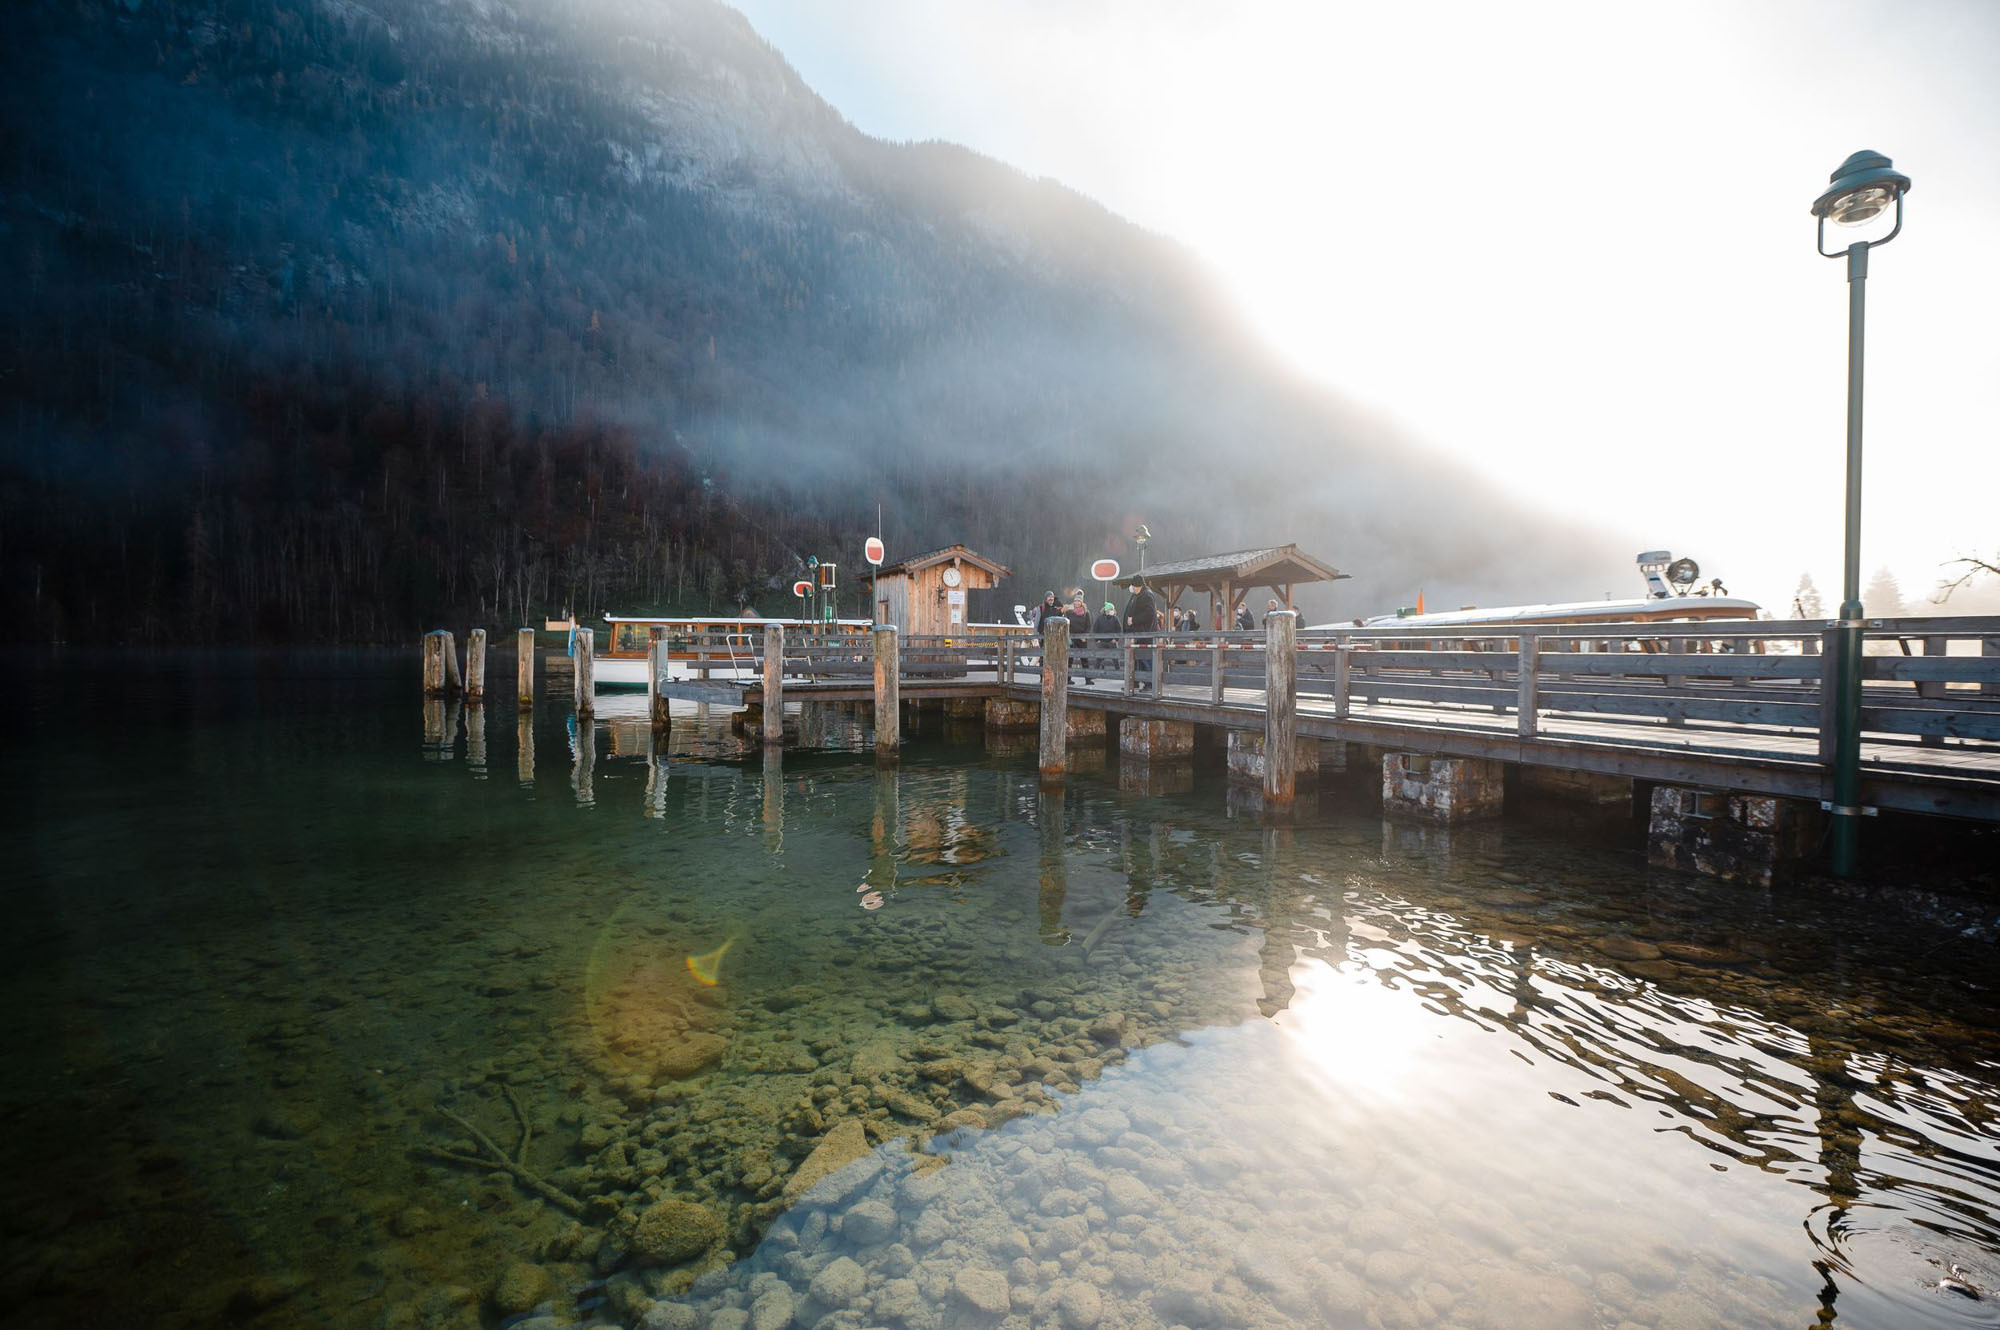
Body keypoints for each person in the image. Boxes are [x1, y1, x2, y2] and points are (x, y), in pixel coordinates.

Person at [1124, 583, 1159, 690]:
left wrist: (1134, 620)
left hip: (1145, 633)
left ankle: (1150, 684)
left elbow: (1150, 613)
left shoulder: (1147, 595)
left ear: (1138, 586)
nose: (1132, 588)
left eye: (1133, 586)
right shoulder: (1137, 596)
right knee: (1136, 659)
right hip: (1137, 632)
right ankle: (1135, 682)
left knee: (1145, 659)